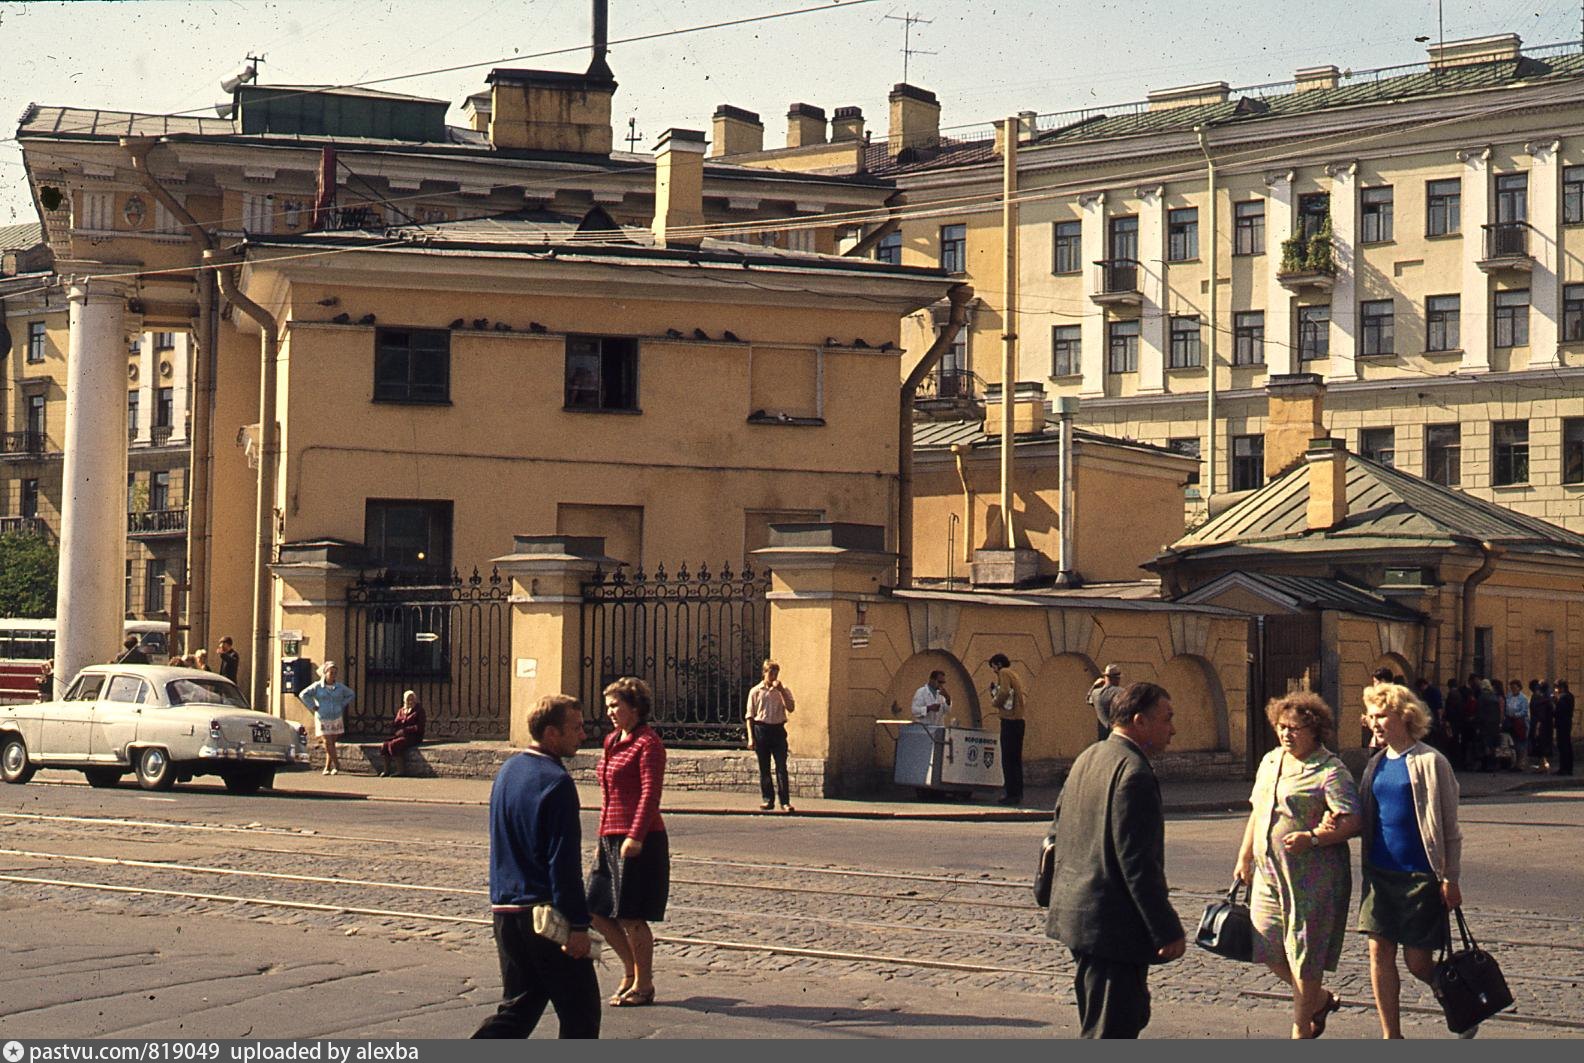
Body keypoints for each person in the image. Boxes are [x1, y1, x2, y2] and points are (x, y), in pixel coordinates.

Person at [1044, 682, 1186, 1039]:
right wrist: (1166, 928)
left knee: (1104, 1023)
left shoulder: (1089, 757)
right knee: (1111, 1032)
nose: (1173, 729)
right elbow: (1137, 863)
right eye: (1167, 719)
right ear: (1140, 721)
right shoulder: (1134, 773)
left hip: (1080, 918)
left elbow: (1057, 832)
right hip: (1113, 929)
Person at [471, 694, 600, 1039]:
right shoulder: (556, 782)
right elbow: (563, 862)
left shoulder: (509, 770)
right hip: (544, 916)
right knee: (582, 1015)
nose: (583, 736)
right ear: (552, 733)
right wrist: (577, 926)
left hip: (506, 910)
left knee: (519, 1009)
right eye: (576, 728)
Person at [1235, 692, 1360, 1038]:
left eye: (1295, 728)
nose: (1286, 734)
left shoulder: (1331, 771)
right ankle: (1317, 1001)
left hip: (1311, 878)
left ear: (1315, 729)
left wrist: (1314, 838)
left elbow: (1352, 820)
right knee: (1266, 943)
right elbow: (1258, 811)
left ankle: (1299, 1031)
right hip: (1267, 873)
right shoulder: (1272, 761)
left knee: (1305, 954)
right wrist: (1244, 856)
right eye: (1281, 726)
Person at [1351, 682, 1468, 1039]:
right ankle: (1392, 1036)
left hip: (1420, 876)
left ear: (1404, 716)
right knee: (1378, 953)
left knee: (1418, 963)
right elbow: (1364, 814)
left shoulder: (1431, 762)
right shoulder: (1374, 764)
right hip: (1380, 873)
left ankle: (1460, 1002)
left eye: (1382, 715)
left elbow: (1449, 827)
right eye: (1371, 716)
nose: (1375, 722)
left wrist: (1450, 877)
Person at [588, 677, 668, 1008]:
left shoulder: (648, 744)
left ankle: (644, 984)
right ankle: (630, 969)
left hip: (640, 838)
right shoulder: (612, 741)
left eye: (615, 705)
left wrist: (635, 835)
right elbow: (608, 794)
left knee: (631, 915)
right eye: (607, 706)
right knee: (595, 909)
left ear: (634, 708)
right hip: (610, 835)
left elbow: (650, 793)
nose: (609, 712)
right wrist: (601, 836)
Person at [745, 660, 795, 812]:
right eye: (770, 672)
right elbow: (750, 716)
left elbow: (791, 708)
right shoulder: (756, 691)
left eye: (775, 673)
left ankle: (785, 802)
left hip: (778, 730)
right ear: (764, 673)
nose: (773, 676)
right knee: (764, 768)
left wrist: (781, 691)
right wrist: (751, 737)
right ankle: (768, 799)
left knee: (781, 767)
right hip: (762, 729)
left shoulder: (783, 690)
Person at [297, 661, 355, 776]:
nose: (333, 675)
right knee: (327, 742)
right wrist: (312, 705)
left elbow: (351, 694)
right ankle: (337, 764)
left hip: (336, 717)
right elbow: (303, 694)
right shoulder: (317, 686)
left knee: (332, 743)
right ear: (325, 673)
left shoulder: (339, 687)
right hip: (323, 717)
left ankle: (328, 767)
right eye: (331, 672)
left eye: (335, 673)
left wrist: (341, 704)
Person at [988, 653, 1025, 806]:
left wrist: (995, 701)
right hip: (1019, 720)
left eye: (993, 668)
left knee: (1008, 759)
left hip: (1009, 720)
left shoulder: (1003, 673)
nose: (994, 671)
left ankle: (1010, 794)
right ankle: (1017, 793)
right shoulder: (1014, 674)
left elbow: (1003, 692)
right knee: (1016, 759)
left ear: (998, 664)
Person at [378, 689, 426, 777]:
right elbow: (396, 722)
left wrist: (405, 730)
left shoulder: (419, 710)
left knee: (394, 744)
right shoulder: (402, 710)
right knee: (385, 745)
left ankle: (401, 770)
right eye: (408, 699)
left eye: (412, 699)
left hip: (413, 736)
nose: (410, 701)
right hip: (400, 735)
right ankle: (386, 770)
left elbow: (419, 727)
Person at [1086, 664, 1123, 741]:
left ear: (1105, 677)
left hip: (1102, 735)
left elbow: (1088, 699)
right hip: (1117, 735)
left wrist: (1095, 686)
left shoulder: (1096, 693)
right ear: (1116, 679)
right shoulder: (1121, 692)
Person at [1475, 678, 1503, 772]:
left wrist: (1478, 725)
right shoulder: (1494, 696)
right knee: (1493, 745)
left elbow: (1480, 712)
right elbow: (1498, 712)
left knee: (1485, 744)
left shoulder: (1482, 697)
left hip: (1485, 724)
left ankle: (1486, 765)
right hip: (1494, 725)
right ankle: (1493, 764)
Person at [1529, 680, 1554, 773]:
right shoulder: (1548, 700)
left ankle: (1543, 765)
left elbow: (1541, 716)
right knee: (1543, 745)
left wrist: (1537, 728)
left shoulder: (1542, 701)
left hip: (1541, 726)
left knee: (1541, 745)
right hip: (1547, 726)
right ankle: (1543, 765)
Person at [1557, 679, 1576, 776]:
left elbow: (1561, 711)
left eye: (1557, 687)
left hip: (1563, 724)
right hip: (1566, 723)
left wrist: (1555, 702)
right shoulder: (1569, 696)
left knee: (1564, 746)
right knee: (1565, 746)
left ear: (1561, 688)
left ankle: (1565, 768)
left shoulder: (1564, 697)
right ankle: (1566, 768)